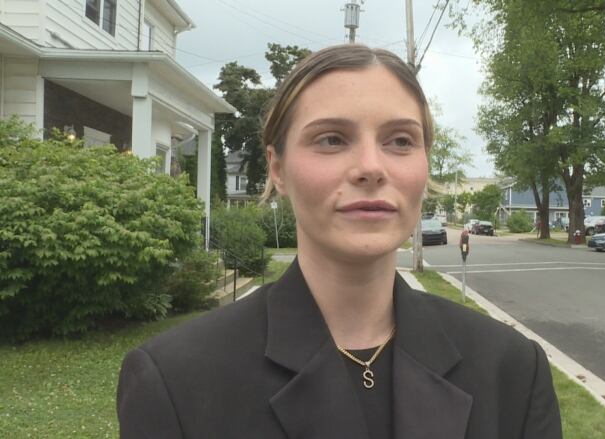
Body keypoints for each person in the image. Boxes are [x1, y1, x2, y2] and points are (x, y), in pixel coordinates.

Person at [116, 44, 562, 438]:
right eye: (332, 139)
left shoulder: (512, 371)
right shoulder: (177, 382)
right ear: (276, 168)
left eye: (401, 140)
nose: (371, 166)